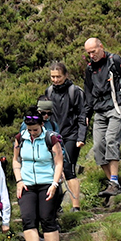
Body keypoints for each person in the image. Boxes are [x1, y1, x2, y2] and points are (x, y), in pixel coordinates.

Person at [82, 37, 121, 195]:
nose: (91, 55)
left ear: (101, 47)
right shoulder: (89, 69)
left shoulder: (115, 61)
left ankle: (114, 181)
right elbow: (88, 92)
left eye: (93, 52)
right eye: (88, 53)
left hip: (116, 106)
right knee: (98, 147)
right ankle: (113, 184)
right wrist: (87, 113)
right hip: (99, 109)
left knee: (111, 140)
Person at [13, 110, 66, 241]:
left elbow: (58, 163)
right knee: (28, 218)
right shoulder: (20, 139)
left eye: (35, 129)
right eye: (29, 130)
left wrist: (54, 184)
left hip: (47, 183)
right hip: (27, 184)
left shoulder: (51, 139)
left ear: (42, 125)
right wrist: (19, 181)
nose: (32, 133)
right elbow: (16, 161)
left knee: (47, 218)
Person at [45, 62, 88, 213]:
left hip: (71, 135)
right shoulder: (48, 92)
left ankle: (76, 206)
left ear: (66, 75)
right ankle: (57, 206)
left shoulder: (75, 92)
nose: (55, 80)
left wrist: (81, 137)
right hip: (54, 137)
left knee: (68, 169)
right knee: (54, 170)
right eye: (53, 77)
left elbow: (83, 115)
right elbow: (44, 115)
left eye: (58, 76)